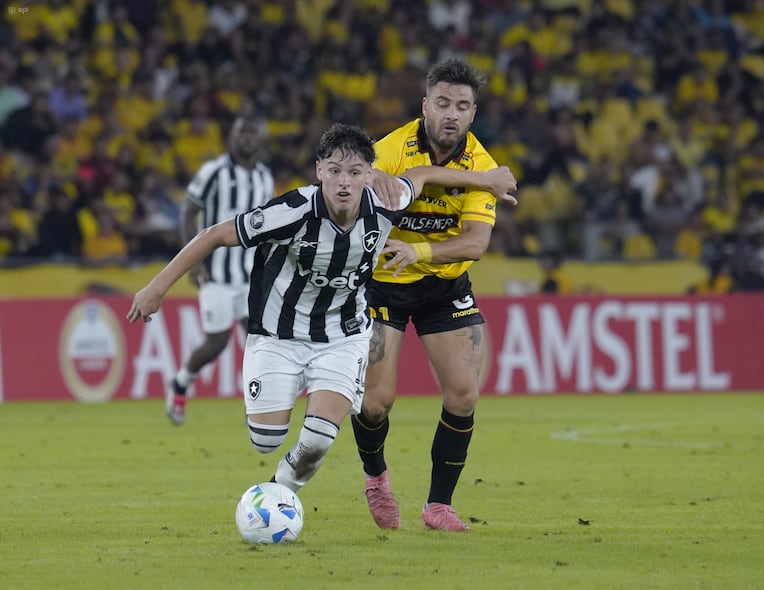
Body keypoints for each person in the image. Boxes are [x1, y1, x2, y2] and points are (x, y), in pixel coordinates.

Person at [128, 124, 516, 498]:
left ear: (370, 173)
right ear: (319, 171)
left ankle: (278, 496)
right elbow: (214, 234)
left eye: (354, 172)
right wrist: (157, 287)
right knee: (265, 439)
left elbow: (424, 172)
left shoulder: (387, 200)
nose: (344, 182)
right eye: (334, 171)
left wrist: (486, 181)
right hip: (278, 334)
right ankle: (293, 387)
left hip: (341, 336)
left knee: (316, 440)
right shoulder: (292, 211)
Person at [350, 58, 515, 532]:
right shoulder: (391, 149)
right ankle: (376, 476)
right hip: (384, 284)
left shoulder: (481, 164)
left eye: (462, 106)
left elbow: (476, 244)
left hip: (444, 285)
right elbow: (375, 190)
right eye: (442, 102)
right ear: (425, 105)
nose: (451, 114)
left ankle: (438, 505)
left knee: (464, 393)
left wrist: (418, 247)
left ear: (473, 113)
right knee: (375, 402)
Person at [166, 115, 275, 425]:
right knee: (217, 342)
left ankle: (259, 405)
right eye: (242, 131)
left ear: (260, 139)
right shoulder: (213, 172)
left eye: (253, 132)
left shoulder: (265, 178)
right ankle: (181, 381)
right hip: (216, 274)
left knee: (259, 338)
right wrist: (194, 260)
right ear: (232, 136)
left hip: (250, 275)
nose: (247, 138)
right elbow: (188, 212)